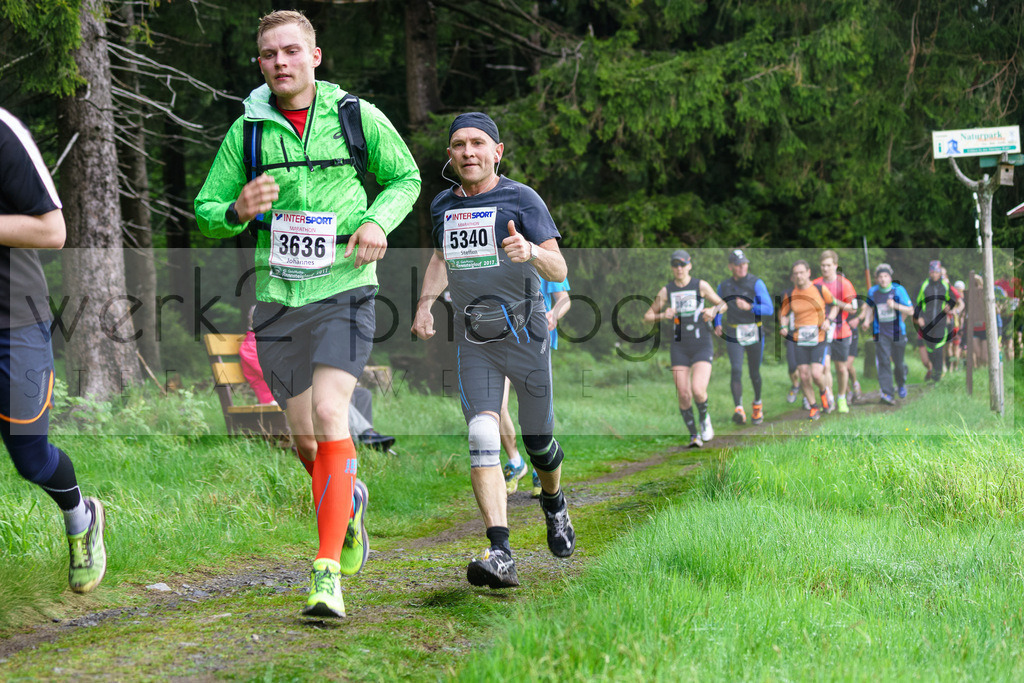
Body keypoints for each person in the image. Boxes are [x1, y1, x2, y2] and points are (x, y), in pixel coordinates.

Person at [194, 10, 420, 618]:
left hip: (345, 288)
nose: (280, 63)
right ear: (260, 64)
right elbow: (205, 208)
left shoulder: (355, 117)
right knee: (304, 441)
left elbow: (405, 178)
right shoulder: (247, 132)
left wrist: (377, 221)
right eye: (269, 55)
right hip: (277, 299)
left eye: (291, 51)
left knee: (329, 413)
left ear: (314, 56)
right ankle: (348, 507)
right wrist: (237, 209)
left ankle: (326, 574)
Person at [412, 112, 575, 590]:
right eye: (459, 144)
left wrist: (533, 252)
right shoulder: (443, 204)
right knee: (483, 433)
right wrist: (424, 304)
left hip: (527, 336)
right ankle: (500, 552)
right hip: (476, 340)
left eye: (478, 143)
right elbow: (441, 257)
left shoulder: (522, 198)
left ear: (496, 151)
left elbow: (558, 263)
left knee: (539, 443)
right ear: (450, 155)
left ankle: (554, 501)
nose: (468, 152)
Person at [0, 107, 107, 594]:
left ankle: (81, 517)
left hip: (13, 320)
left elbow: (52, 232)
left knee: (31, 458)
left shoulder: (4, 132)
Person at [239, 306, 395, 449]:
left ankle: (361, 437)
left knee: (361, 394)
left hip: (298, 387)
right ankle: (362, 436)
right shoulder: (251, 346)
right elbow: (275, 370)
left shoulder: (275, 341)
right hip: (275, 396)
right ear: (255, 322)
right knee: (331, 398)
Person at [643, 250, 727, 447]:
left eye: (682, 264)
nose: (679, 268)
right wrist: (664, 315)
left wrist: (712, 310)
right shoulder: (667, 290)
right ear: (672, 268)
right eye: (675, 265)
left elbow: (723, 304)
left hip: (701, 343)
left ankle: (704, 419)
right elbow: (647, 316)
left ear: (689, 265)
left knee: (698, 390)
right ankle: (693, 435)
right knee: (683, 392)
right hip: (679, 345)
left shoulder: (700, 285)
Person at [501, 277, 571, 497]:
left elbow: (564, 299)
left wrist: (554, 314)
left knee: (535, 410)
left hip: (535, 343)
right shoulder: (498, 255)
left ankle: (538, 467)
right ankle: (515, 461)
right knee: (496, 405)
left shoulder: (542, 254)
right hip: (500, 341)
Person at [714, 249, 773, 425]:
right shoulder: (723, 286)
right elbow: (718, 305)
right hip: (733, 332)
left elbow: (769, 309)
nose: (742, 267)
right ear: (731, 267)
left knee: (754, 372)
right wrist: (717, 323)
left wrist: (751, 307)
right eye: (738, 265)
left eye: (745, 264)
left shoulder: (756, 283)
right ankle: (738, 409)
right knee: (736, 369)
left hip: (754, 332)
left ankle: (757, 404)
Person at [778, 260, 836, 420]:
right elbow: (783, 314)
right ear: (792, 277)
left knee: (817, 374)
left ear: (808, 272)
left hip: (819, 337)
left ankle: (824, 393)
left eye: (801, 272)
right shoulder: (790, 293)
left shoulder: (819, 289)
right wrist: (782, 326)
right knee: (803, 375)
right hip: (800, 339)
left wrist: (829, 321)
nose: (799, 276)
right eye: (796, 273)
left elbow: (835, 306)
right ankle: (813, 406)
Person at [813, 250, 857, 413]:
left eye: (828, 265)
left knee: (841, 368)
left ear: (835, 266)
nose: (825, 269)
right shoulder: (816, 283)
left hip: (841, 331)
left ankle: (842, 397)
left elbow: (853, 309)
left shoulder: (844, 284)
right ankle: (829, 396)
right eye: (823, 265)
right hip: (822, 331)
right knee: (824, 366)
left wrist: (834, 301)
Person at [862, 263, 913, 405]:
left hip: (897, 332)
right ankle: (887, 393)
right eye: (880, 277)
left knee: (898, 363)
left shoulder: (898, 290)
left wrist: (895, 306)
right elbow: (869, 307)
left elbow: (911, 310)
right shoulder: (873, 291)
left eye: (886, 276)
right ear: (877, 279)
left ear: (890, 277)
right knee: (884, 362)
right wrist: (867, 321)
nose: (883, 279)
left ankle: (901, 384)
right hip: (880, 333)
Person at [914, 260, 962, 383]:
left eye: (936, 272)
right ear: (929, 273)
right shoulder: (923, 285)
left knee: (939, 348)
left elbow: (953, 299)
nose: (934, 275)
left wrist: (949, 307)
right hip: (926, 321)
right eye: (932, 272)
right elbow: (916, 301)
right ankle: (934, 370)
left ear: (940, 272)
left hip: (941, 321)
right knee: (930, 348)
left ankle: (937, 377)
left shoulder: (945, 285)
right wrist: (918, 317)